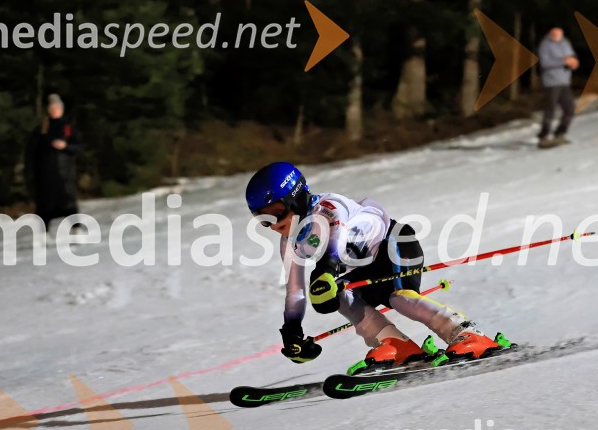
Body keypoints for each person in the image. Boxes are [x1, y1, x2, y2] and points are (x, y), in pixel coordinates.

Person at [245, 162, 509, 374]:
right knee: (338, 295)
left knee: (400, 299)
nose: (273, 224)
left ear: (296, 198)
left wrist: (326, 270)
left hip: (392, 245)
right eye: (262, 218)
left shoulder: (328, 207)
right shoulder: (288, 242)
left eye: (276, 211)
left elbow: (335, 243)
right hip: (359, 268)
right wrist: (292, 331)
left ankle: (466, 334)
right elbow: (295, 291)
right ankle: (396, 345)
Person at [25, 93, 83, 232]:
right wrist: (30, 173)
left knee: (68, 204)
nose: (55, 110)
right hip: (45, 176)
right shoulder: (41, 130)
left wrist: (66, 146)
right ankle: (42, 234)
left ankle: (76, 230)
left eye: (57, 107)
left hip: (64, 174)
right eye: (52, 107)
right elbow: (31, 153)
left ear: (62, 109)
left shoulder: (68, 127)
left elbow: (79, 145)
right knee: (45, 206)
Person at [537, 27, 579, 148]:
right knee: (550, 109)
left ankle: (560, 133)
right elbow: (545, 63)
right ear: (550, 33)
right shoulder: (545, 45)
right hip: (551, 82)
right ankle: (543, 138)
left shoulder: (565, 43)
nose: (557, 35)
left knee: (570, 109)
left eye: (559, 33)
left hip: (564, 81)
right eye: (554, 33)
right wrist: (563, 61)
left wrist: (574, 63)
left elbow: (571, 57)